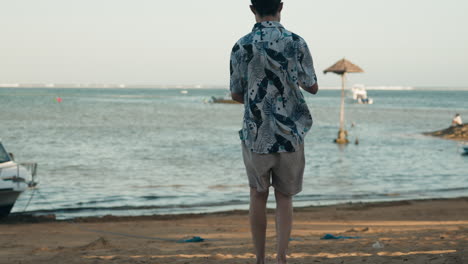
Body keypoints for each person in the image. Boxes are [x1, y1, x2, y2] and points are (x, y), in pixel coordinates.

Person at [230, 1, 318, 263]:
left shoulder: (242, 45)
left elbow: (236, 93)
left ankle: (259, 259)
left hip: (256, 134)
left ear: (251, 8)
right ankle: (281, 257)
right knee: (285, 196)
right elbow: (311, 86)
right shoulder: (297, 42)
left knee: (257, 194)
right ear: (281, 6)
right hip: (290, 133)